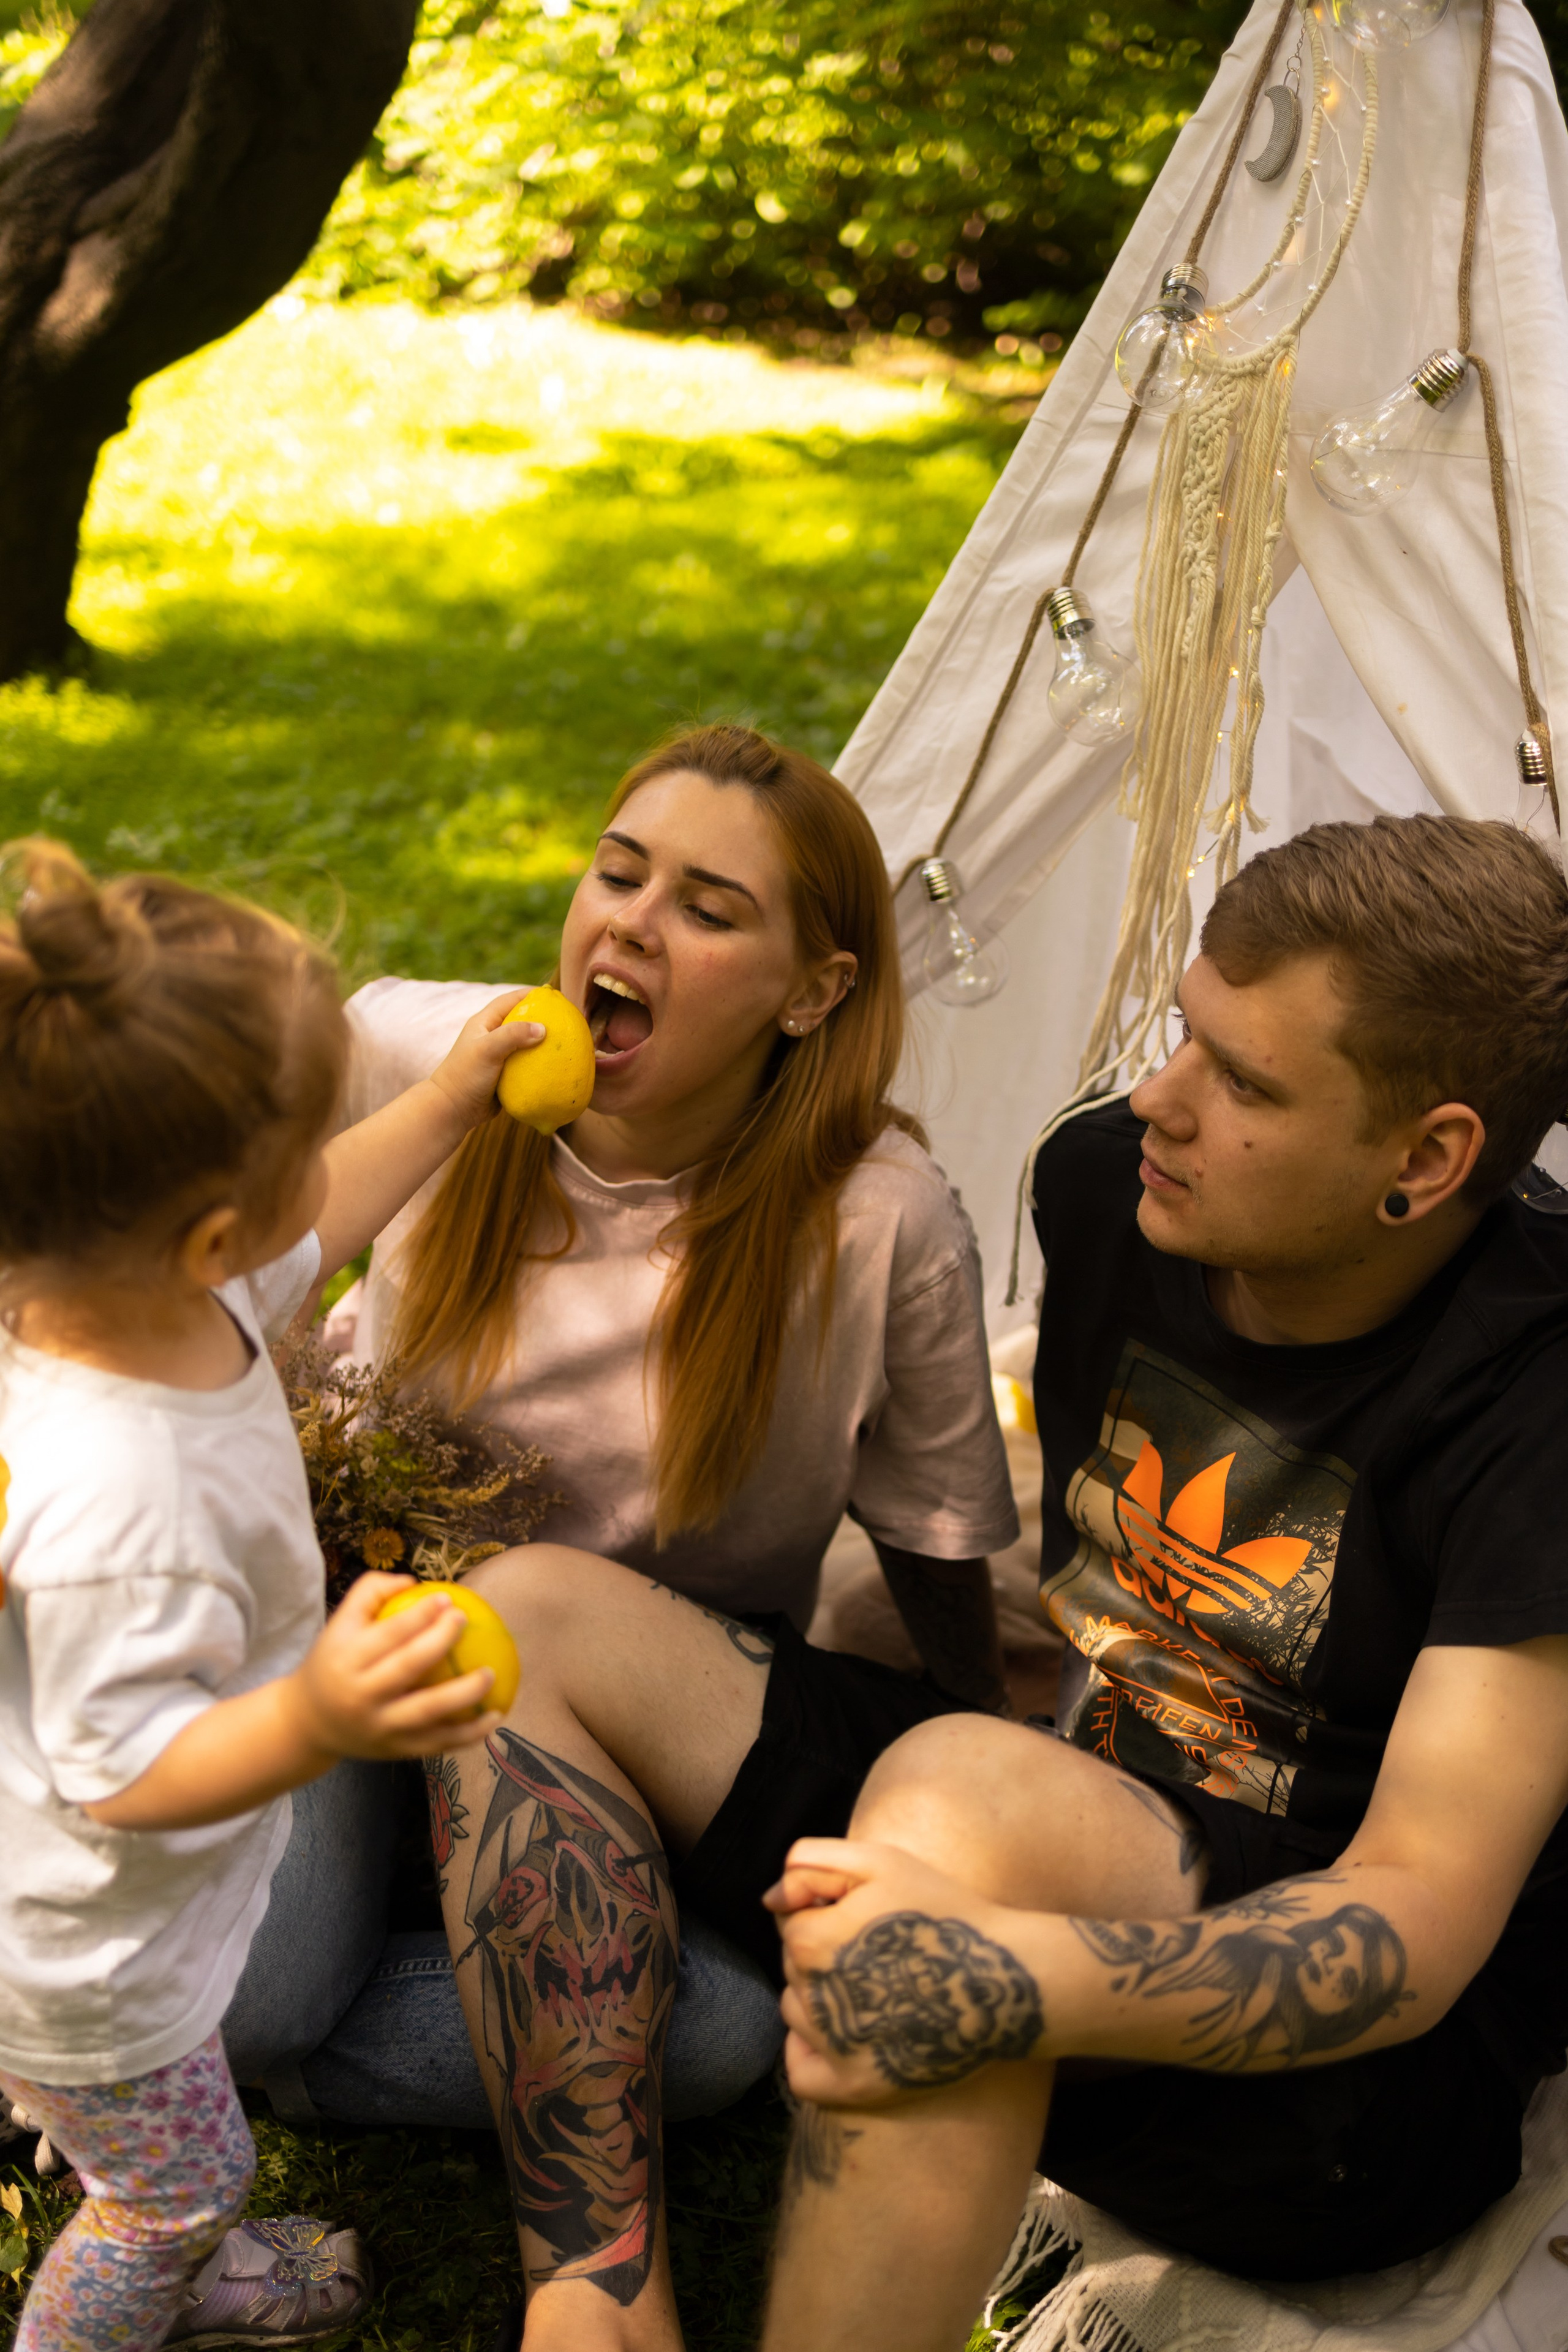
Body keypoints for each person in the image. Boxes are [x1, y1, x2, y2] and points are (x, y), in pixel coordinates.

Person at [757, 813, 1568, 2352]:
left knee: (953, 1790)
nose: (1157, 1101)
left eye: (1242, 1083)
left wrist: (1004, 1977)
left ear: (1427, 1158)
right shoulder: (1101, 1185)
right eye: (1184, 1034)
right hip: (1100, 1815)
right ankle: (596, 2279)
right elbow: (1099, 1586)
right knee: (553, 1621)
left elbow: (1407, 1925)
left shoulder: (1538, 1397)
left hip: (1342, 2093)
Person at [224, 723, 1019, 2135]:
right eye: (619, 875)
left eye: (708, 912)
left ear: (810, 991)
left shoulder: (875, 1223)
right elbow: (231, 1275)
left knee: (710, 2040)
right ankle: (199, 2023)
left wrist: (977, 1747)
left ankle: (138, 2026)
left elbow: (931, 1528)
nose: (633, 926)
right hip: (345, 1648)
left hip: (600, 1733)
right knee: (269, 1993)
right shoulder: (420, 1057)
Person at [0, 841, 552, 2350]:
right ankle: (116, 2300)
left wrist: (445, 1101)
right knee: (175, 2186)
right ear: (205, 1235)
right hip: (87, 1948)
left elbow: (323, 1221)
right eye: (310, 1140)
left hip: (59, 1901)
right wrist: (315, 1711)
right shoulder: (127, 1497)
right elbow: (124, 1775)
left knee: (140, 2135)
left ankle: (113, 2163)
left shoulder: (139, 1298)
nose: (335, 1158)